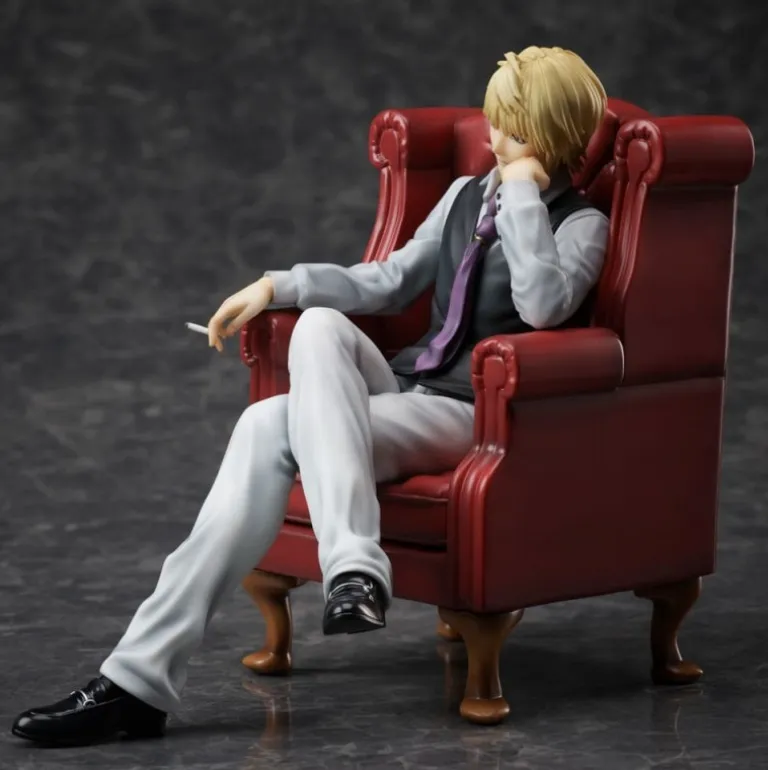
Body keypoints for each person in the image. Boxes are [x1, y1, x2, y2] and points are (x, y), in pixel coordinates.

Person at [11, 45, 610, 746]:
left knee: (267, 426)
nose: (495, 139)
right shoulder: (462, 197)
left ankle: (137, 683)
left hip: (473, 413)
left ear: (552, 135)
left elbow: (542, 307)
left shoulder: (581, 225)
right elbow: (388, 281)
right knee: (318, 329)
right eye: (494, 121)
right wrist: (278, 286)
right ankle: (351, 570)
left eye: (514, 129)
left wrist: (525, 198)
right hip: (409, 387)